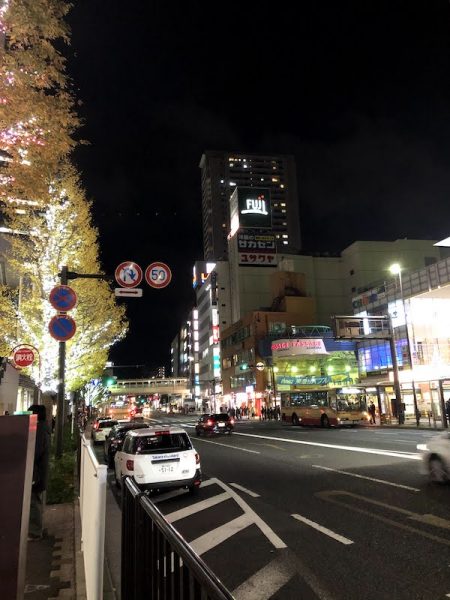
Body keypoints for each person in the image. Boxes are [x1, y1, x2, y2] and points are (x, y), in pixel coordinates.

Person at [28, 404, 51, 540]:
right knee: (36, 500)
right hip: (41, 470)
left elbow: (35, 452)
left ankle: (35, 532)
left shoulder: (39, 430)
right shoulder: (44, 428)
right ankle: (38, 529)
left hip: (36, 472)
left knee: (33, 501)